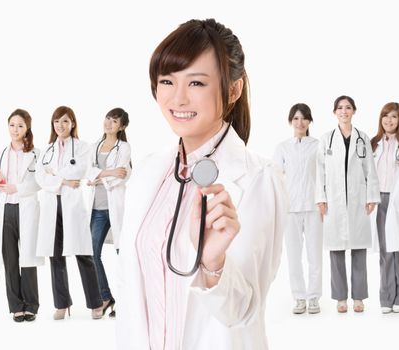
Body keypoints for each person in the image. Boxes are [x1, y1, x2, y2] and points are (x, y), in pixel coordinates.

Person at [116, 19, 285, 349]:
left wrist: (213, 265)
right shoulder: (148, 172)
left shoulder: (258, 179)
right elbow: (130, 294)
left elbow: (244, 312)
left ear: (232, 90)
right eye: (167, 81)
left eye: (196, 83)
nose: (178, 98)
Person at [35, 106, 103, 320]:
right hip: (50, 205)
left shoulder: (83, 148)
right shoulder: (46, 150)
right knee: (55, 256)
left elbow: (80, 171)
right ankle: (62, 304)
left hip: (72, 206)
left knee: (83, 254)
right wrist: (63, 180)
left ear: (72, 123)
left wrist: (53, 175)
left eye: (65, 121)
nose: (60, 125)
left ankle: (96, 303)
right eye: (56, 121)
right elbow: (39, 177)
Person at [315, 95, 380, 313]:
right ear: (335, 112)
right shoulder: (326, 139)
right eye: (340, 108)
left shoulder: (363, 138)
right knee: (335, 249)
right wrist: (321, 198)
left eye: (348, 107)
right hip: (333, 200)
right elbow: (320, 173)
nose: (344, 111)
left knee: (359, 248)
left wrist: (372, 197)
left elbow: (370, 169)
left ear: (354, 111)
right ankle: (341, 298)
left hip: (357, 200)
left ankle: (359, 297)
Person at [0, 109, 43, 322]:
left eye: (20, 125)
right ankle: (16, 305)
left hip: (26, 207)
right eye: (12, 125)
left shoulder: (36, 154)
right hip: (6, 210)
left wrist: (17, 188)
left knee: (27, 258)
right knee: (10, 259)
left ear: (27, 128)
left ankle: (31, 304)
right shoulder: (1, 153)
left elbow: (38, 182)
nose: (15, 129)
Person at [273, 103, 322, 314]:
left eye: (303, 118)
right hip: (290, 208)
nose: (299, 122)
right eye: (295, 118)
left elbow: (324, 176)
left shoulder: (318, 145)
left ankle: (314, 298)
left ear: (309, 121)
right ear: (290, 121)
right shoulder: (283, 147)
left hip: (314, 206)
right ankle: (299, 297)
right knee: (294, 255)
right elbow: (275, 176)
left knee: (314, 255)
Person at [369, 102, 399, 314]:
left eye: (394, 117)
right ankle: (386, 298)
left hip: (398, 202)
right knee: (386, 251)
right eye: (385, 116)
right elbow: (367, 174)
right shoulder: (373, 144)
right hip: (379, 201)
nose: (389, 120)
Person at [86, 107, 131, 317]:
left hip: (116, 207)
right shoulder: (94, 146)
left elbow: (121, 176)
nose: (109, 123)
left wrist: (100, 175)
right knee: (92, 254)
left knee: (123, 254)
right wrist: (109, 172)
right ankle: (105, 297)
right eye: (107, 118)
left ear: (121, 126)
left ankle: (128, 301)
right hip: (96, 208)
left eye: (114, 121)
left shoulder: (124, 147)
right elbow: (89, 173)